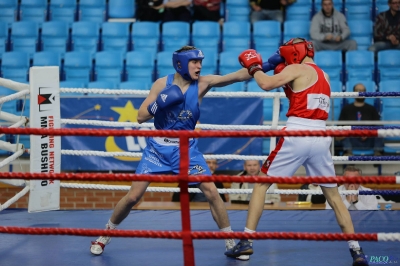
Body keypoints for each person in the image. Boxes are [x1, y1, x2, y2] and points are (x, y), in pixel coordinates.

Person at [89, 45, 284, 259]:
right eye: (195, 62)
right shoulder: (161, 84)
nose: (199, 66)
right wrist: (159, 104)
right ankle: (103, 236)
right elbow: (140, 116)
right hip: (158, 149)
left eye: (201, 61)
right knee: (133, 196)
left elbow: (236, 76)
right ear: (181, 64)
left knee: (211, 191)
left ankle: (230, 243)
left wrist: (266, 65)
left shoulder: (202, 84)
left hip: (187, 148)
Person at [224, 38, 369, 265]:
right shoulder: (325, 76)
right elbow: (304, 97)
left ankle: (247, 241)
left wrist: (254, 66)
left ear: (294, 52)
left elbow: (265, 84)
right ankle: (356, 250)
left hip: (298, 133)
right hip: (321, 137)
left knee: (261, 184)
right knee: (333, 196)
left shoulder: (296, 68)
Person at [336, 83, 384, 156]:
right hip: (352, 140)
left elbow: (379, 127)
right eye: (358, 90)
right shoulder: (346, 109)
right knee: (343, 133)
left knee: (381, 131)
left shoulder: (372, 109)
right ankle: (349, 154)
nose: (360, 92)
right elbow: (339, 128)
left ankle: (377, 154)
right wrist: (353, 132)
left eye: (362, 90)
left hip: (369, 140)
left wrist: (368, 133)